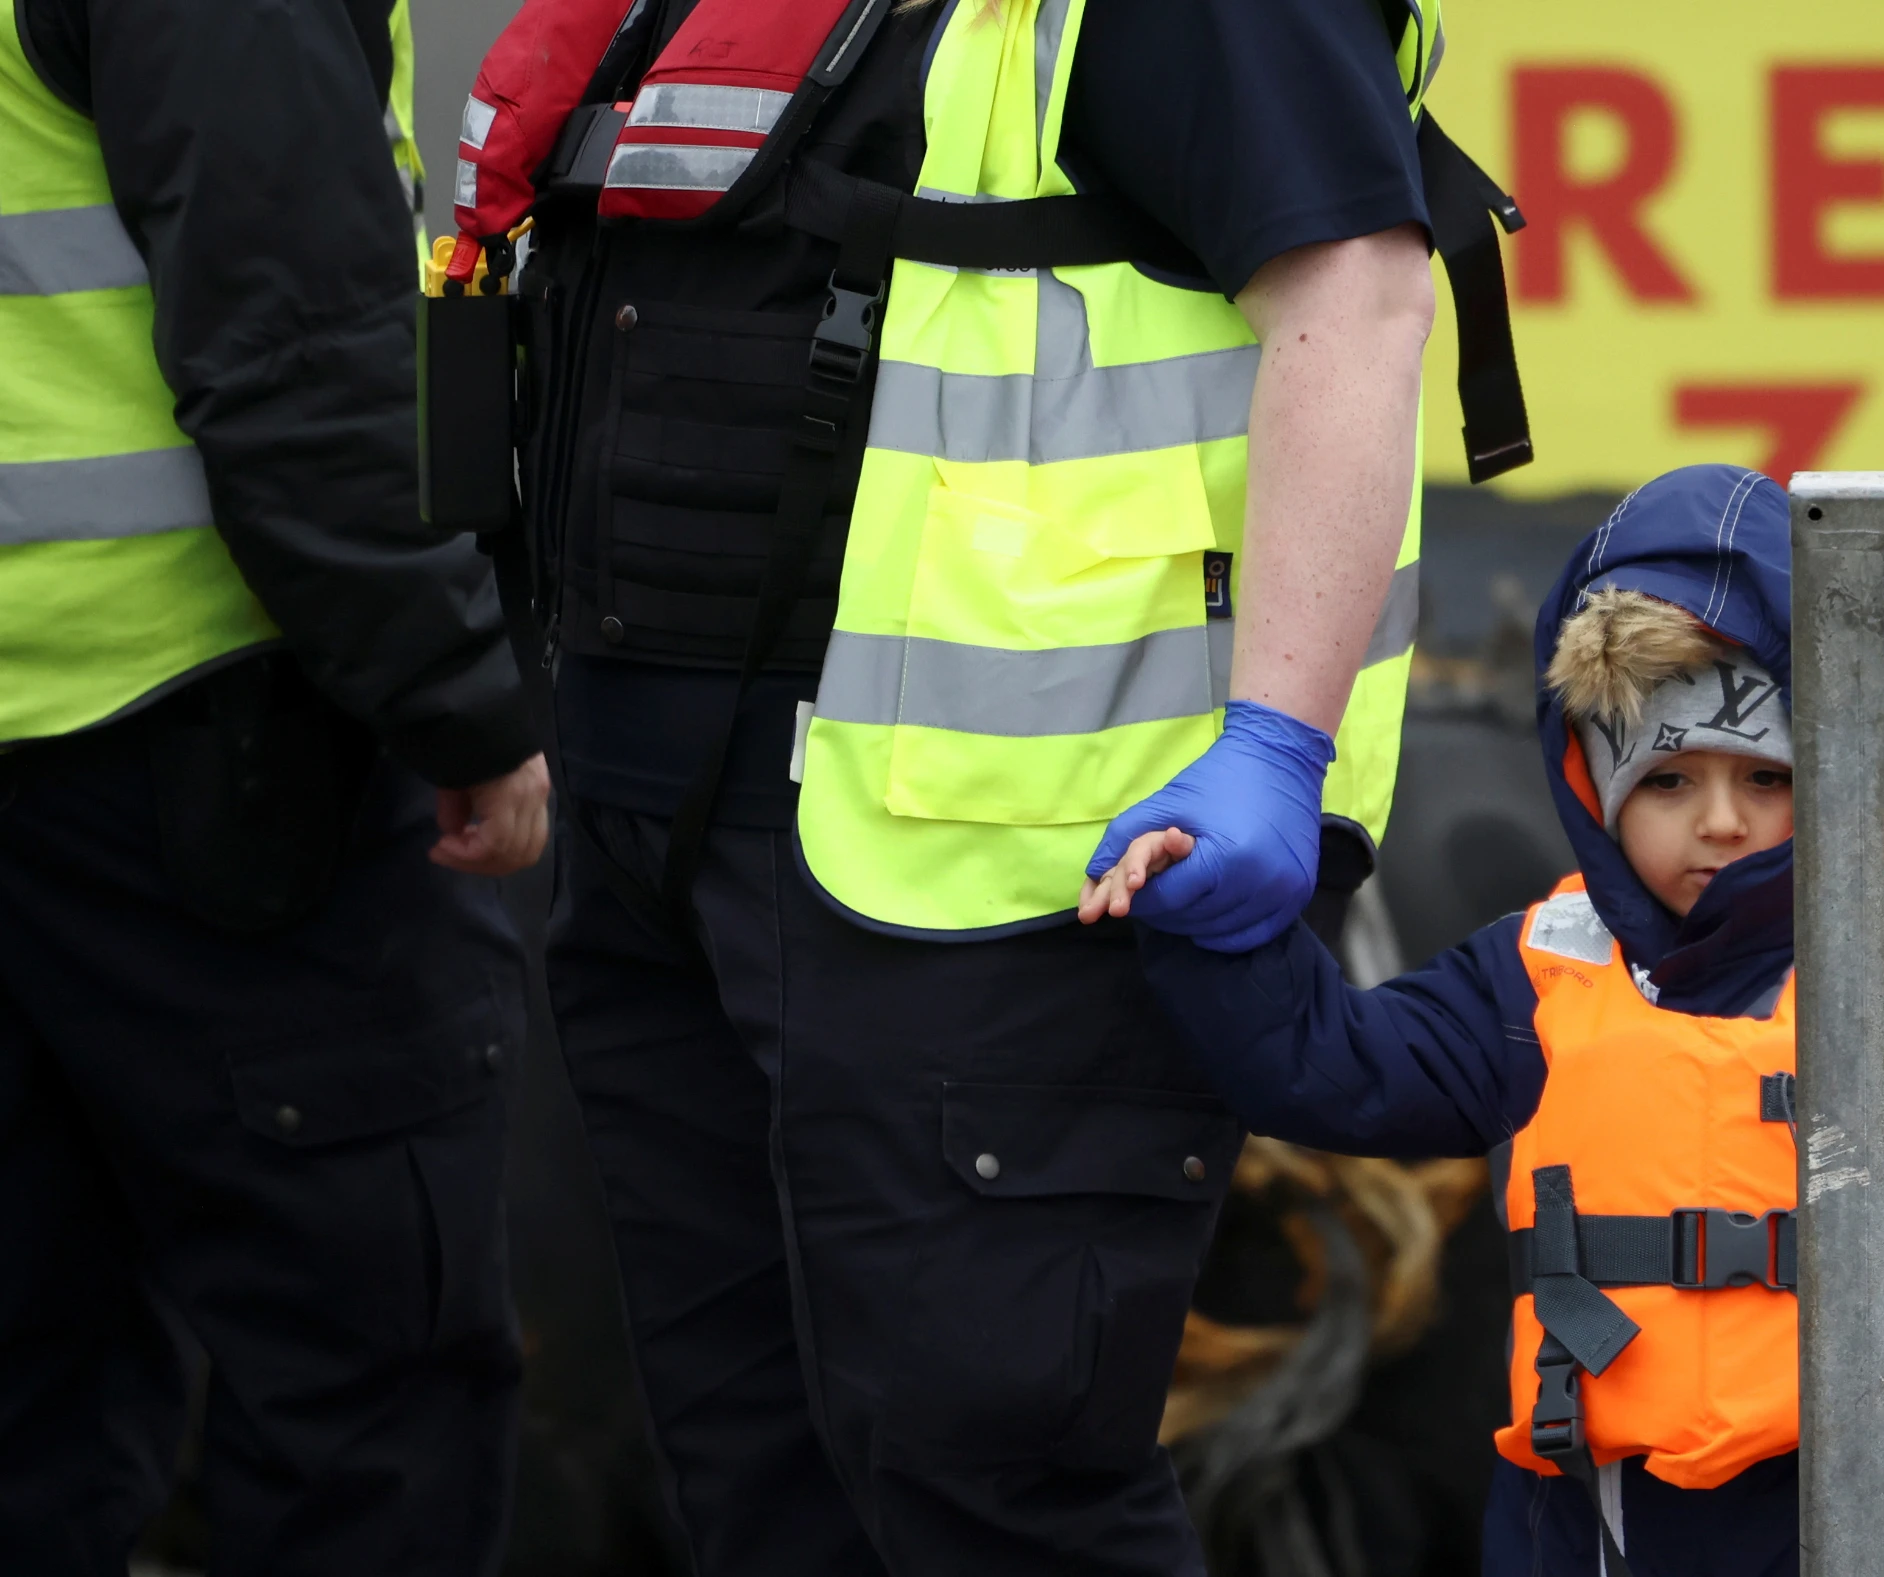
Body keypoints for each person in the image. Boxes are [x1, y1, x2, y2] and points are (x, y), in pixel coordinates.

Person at [435, 0, 1525, 1570]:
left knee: (994, 1496)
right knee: (758, 1479)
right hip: (666, 835)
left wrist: (1278, 746)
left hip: (1003, 870)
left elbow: (1354, 299)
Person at [1094, 464, 1884, 1576]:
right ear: (1596, 787)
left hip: (1860, 1505)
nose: (1722, 821)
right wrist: (1220, 916)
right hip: (1579, 1516)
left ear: (1831, 765)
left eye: (1766, 778)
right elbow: (1322, 1068)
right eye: (1670, 780)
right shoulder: (1539, 971)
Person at [0, 0, 550, 1570]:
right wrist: (463, 708)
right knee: (367, 1409)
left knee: (34, 1400)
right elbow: (297, 357)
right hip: (194, 748)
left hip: (74, 742)